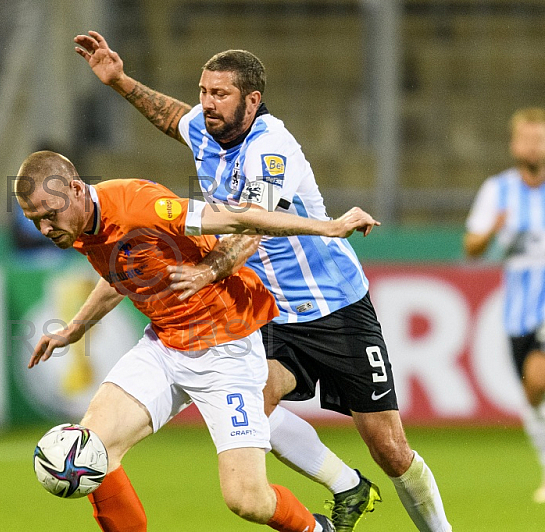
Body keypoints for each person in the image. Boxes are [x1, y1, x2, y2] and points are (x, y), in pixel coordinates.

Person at [74, 31, 452, 532]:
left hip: (335, 307)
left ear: (252, 100)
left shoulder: (272, 150)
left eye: (220, 95)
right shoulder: (207, 128)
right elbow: (171, 117)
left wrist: (209, 270)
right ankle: (346, 485)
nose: (207, 104)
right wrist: (119, 81)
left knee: (389, 447)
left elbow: (250, 227)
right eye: (204, 92)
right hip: (269, 309)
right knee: (252, 413)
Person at [17, 150, 379, 531]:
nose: (44, 229)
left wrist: (327, 227)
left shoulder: (140, 205)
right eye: (34, 220)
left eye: (49, 215)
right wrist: (75, 328)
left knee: (247, 500)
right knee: (90, 453)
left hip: (226, 350)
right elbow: (118, 272)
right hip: (164, 347)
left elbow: (240, 221)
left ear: (75, 189)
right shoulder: (78, 226)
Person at [464, 107, 545, 503]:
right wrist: (493, 230)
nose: (533, 145)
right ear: (515, 144)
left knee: (541, 375)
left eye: (540, 138)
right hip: (520, 310)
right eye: (527, 138)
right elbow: (471, 247)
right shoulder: (498, 190)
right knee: (533, 394)